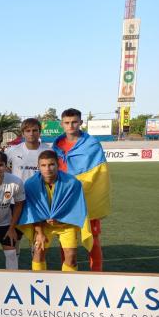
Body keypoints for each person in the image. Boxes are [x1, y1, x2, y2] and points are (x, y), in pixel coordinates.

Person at [53, 108, 110, 271]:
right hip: (65, 198)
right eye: (67, 122)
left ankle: (96, 273)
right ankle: (69, 273)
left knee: (93, 237)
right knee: (66, 238)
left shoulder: (92, 144)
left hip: (87, 198)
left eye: (74, 122)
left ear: (80, 122)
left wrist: (80, 188)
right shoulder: (57, 144)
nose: (71, 125)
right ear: (61, 124)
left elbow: (98, 173)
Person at [18, 150, 92, 271]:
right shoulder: (30, 184)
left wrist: (61, 221)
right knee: (38, 253)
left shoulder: (72, 183)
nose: (48, 169)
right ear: (38, 167)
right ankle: (39, 285)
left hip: (66, 225)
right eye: (43, 165)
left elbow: (77, 208)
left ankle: (67, 285)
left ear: (58, 164)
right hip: (42, 225)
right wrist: (40, 233)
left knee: (71, 257)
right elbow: (31, 211)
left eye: (51, 164)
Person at [6, 118, 51, 182]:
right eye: (28, 131)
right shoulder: (13, 150)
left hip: (41, 190)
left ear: (39, 132)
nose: (31, 133)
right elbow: (1, 164)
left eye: (34, 130)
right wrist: (11, 174)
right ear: (23, 134)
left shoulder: (49, 150)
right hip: (19, 190)